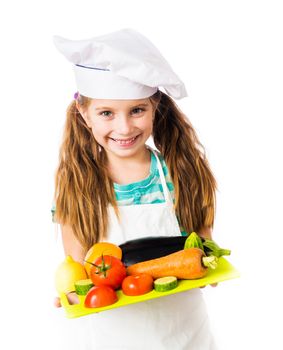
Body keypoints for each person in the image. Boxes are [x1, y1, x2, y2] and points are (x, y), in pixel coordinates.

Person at [52, 28, 217, 349]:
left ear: (156, 108)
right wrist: (73, 292)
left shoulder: (183, 172)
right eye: (106, 113)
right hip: (111, 337)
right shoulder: (76, 185)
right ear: (84, 114)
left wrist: (208, 264)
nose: (124, 127)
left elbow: (204, 241)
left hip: (184, 334)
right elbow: (76, 266)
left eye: (137, 110)